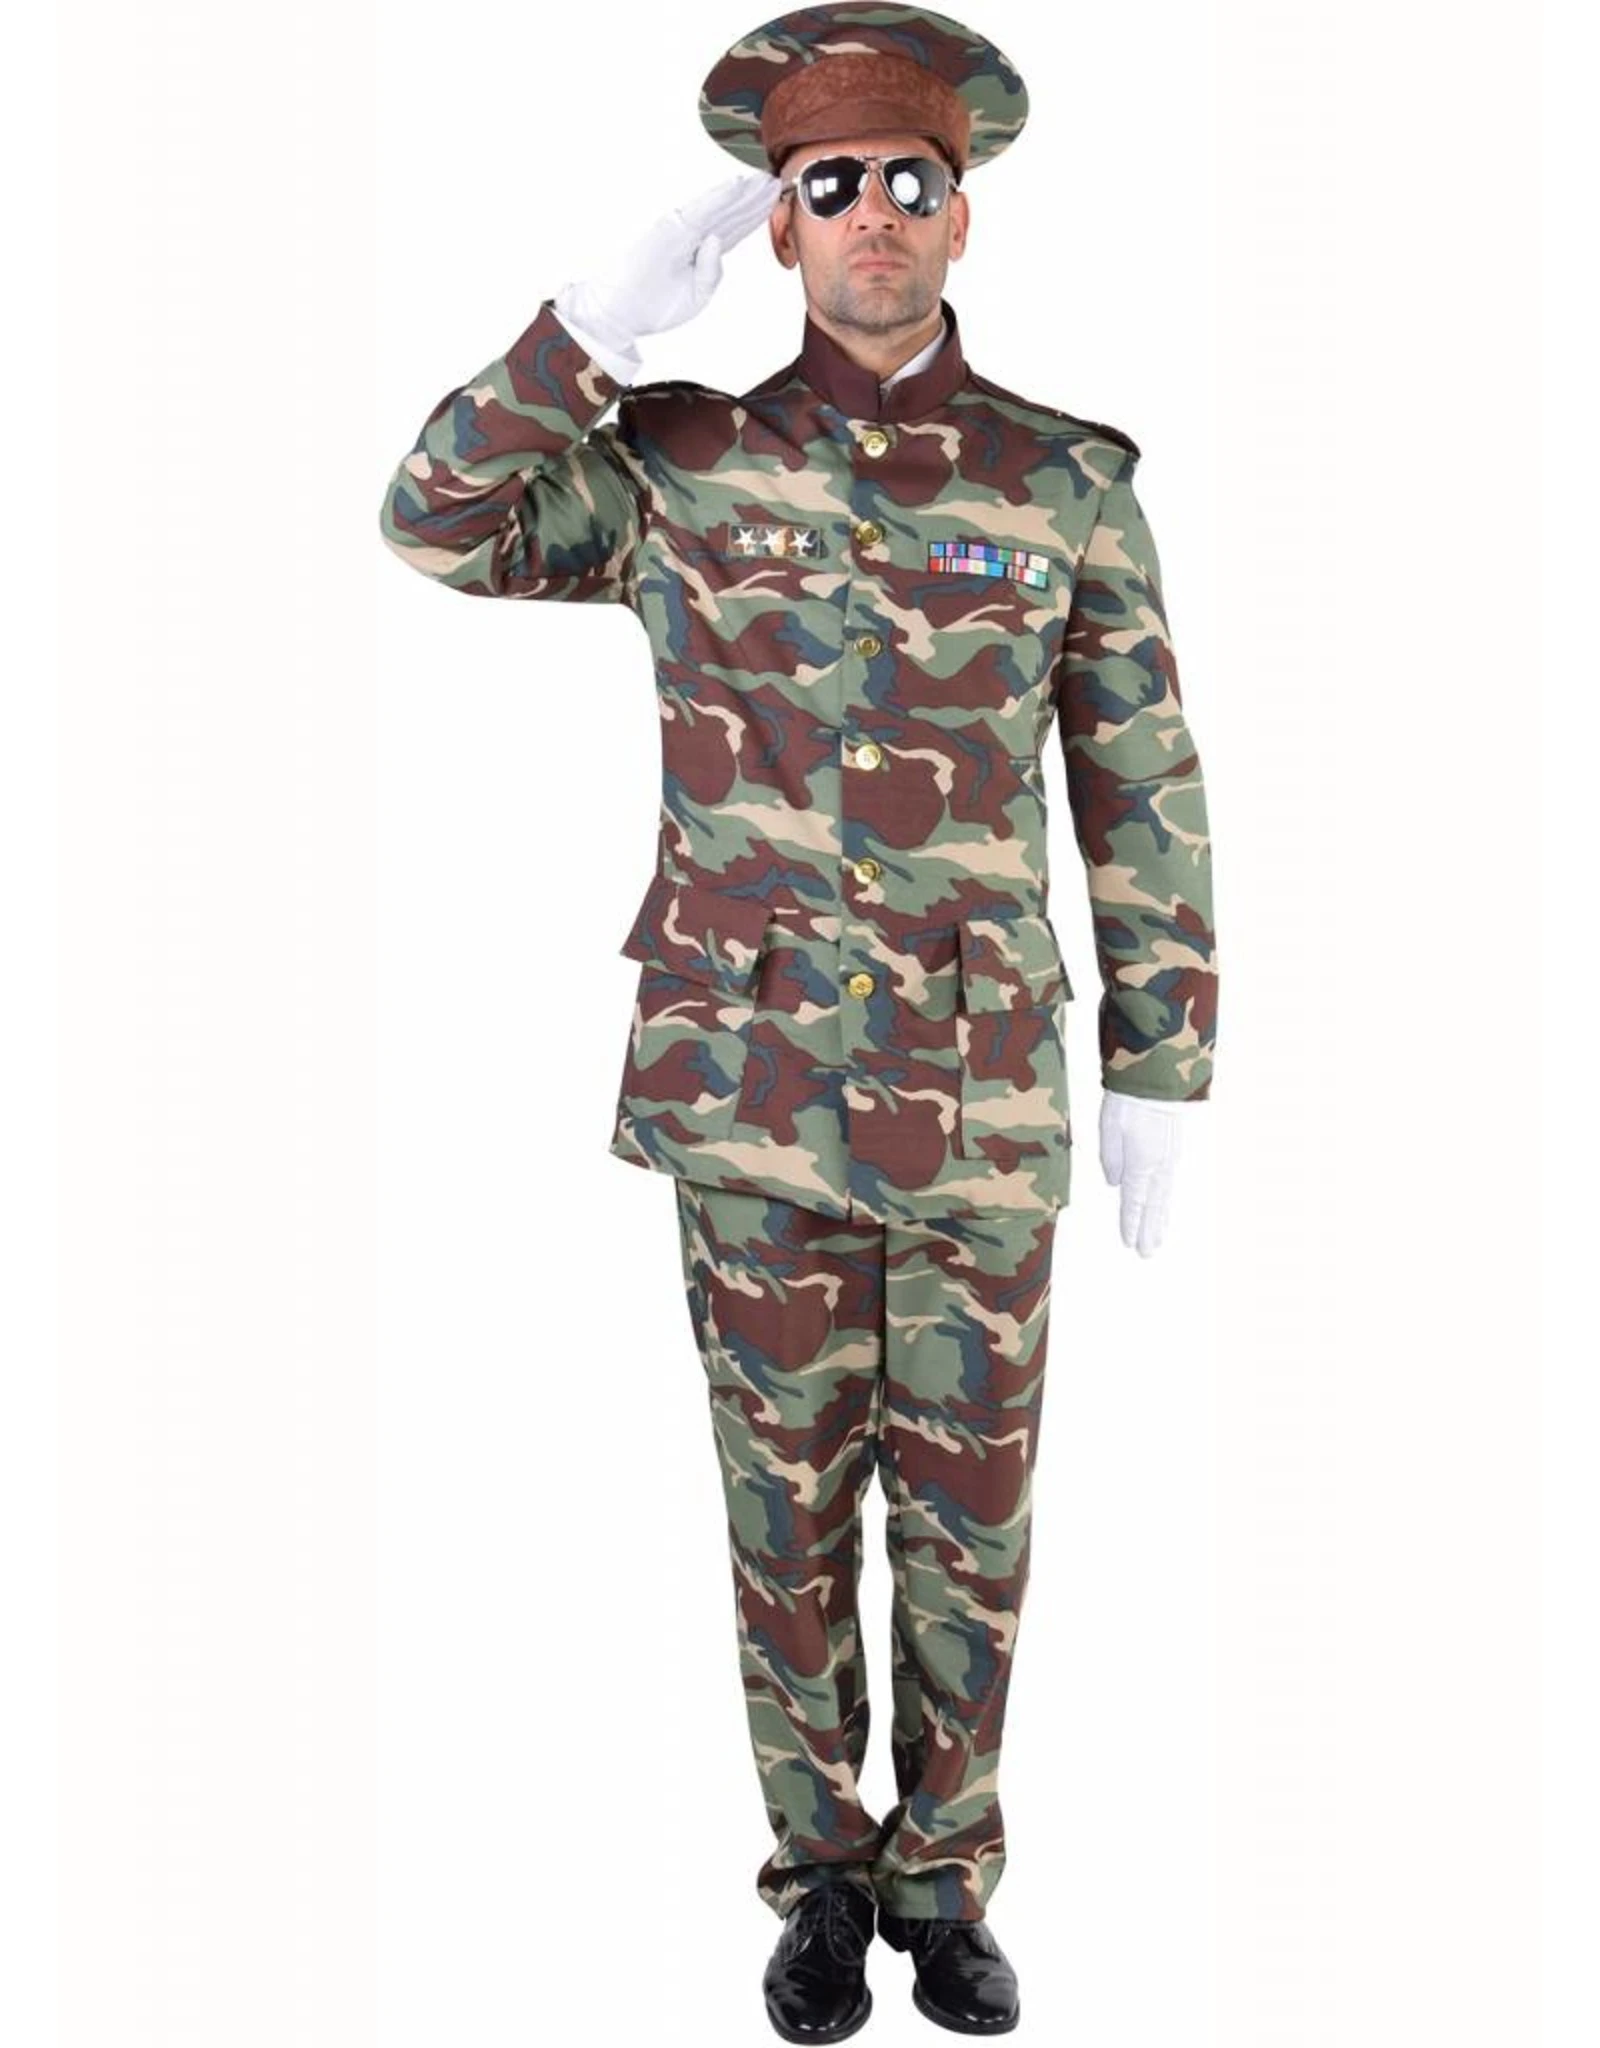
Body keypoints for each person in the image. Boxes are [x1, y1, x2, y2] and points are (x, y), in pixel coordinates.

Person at [378, 5, 1218, 2037]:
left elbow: (1140, 781)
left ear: (960, 219)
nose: (873, 214)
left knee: (970, 1520)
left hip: (979, 1093)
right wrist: (587, 328)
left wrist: (1161, 1061)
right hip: (747, 1083)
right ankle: (818, 1876)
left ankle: (947, 1879)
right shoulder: (678, 465)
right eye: (829, 182)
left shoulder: (1062, 485)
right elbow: (434, 520)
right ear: (776, 227)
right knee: (781, 1515)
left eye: (910, 180)